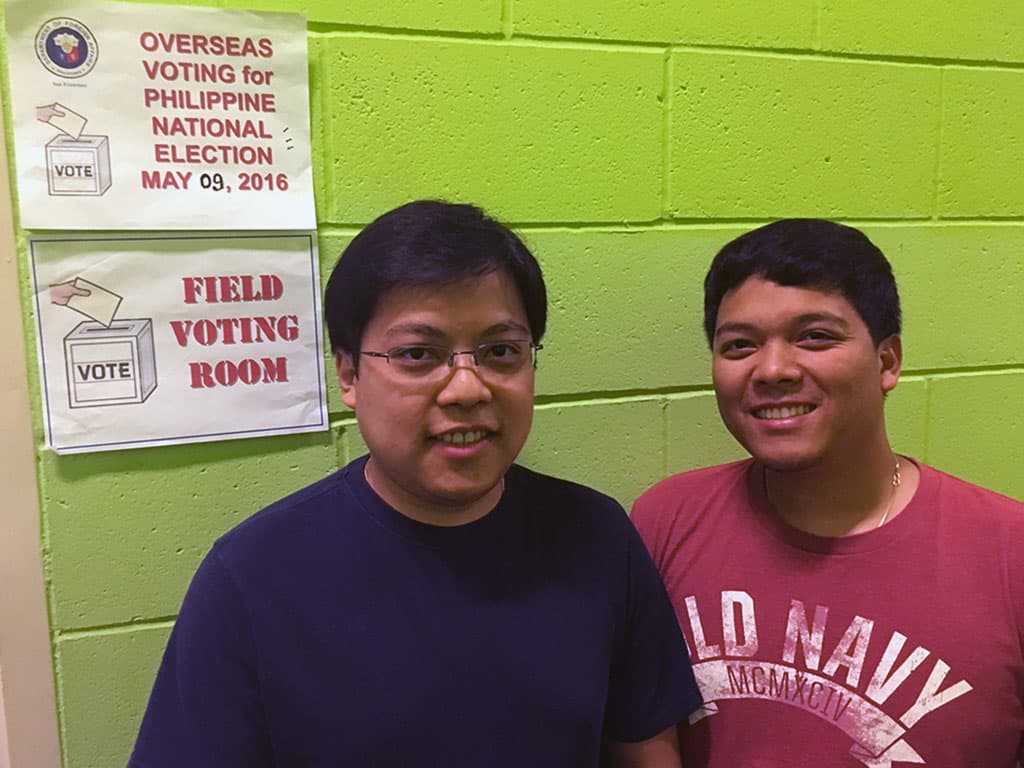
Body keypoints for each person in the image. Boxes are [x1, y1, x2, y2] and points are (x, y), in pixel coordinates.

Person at [129, 200, 701, 767]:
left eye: (500, 351)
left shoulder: (597, 537)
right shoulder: (251, 576)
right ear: (349, 373)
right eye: (417, 355)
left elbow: (645, 748)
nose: (466, 389)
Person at [632, 219, 1024, 767]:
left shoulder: (1009, 552)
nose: (772, 370)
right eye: (739, 345)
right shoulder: (666, 520)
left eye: (814, 336)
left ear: (888, 362)